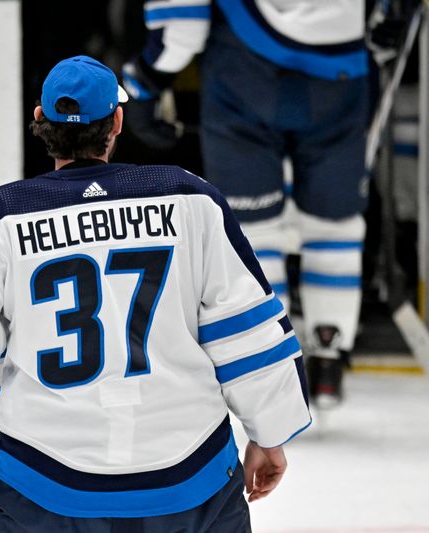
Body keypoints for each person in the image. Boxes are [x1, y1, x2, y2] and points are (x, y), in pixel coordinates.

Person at [0, 55, 311, 531]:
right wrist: (269, 435)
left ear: (39, 120)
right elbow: (247, 334)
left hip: (45, 493)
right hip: (191, 484)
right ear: (117, 121)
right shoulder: (190, 200)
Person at [120, 1, 369, 408]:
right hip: (340, 68)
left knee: (255, 228)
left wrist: (144, 83)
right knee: (333, 221)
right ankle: (329, 356)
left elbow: (184, 26)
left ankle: (276, 369)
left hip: (245, 72)